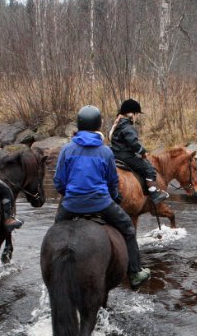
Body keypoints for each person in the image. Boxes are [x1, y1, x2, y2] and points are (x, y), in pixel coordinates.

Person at [54, 105, 151, 289]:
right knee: (128, 229)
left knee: (56, 233)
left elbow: (59, 181)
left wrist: (69, 195)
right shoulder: (106, 151)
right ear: (98, 125)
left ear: (79, 124)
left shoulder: (67, 150)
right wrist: (113, 198)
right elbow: (112, 183)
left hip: (72, 204)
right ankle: (135, 272)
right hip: (100, 204)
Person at [108, 98, 169, 204]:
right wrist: (143, 152)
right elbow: (133, 143)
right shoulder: (128, 127)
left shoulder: (117, 125)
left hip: (115, 154)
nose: (137, 117)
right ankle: (154, 193)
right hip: (126, 156)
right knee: (148, 168)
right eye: (137, 114)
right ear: (132, 114)